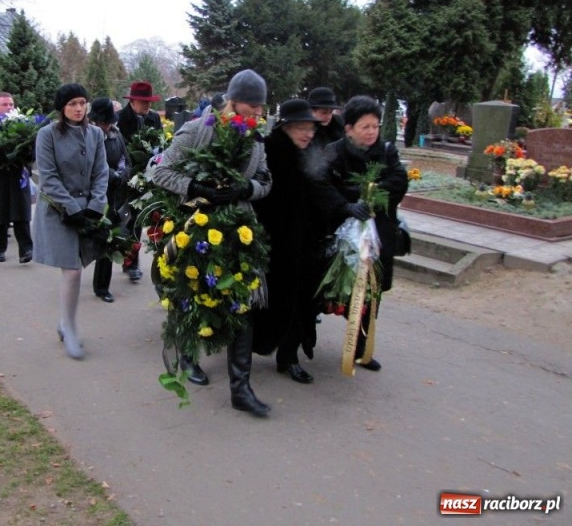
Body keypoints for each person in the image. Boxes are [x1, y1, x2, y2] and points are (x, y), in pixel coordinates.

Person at [152, 69, 273, 417]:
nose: (255, 116)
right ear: (231, 102)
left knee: (242, 300)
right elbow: (160, 171)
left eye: (259, 109)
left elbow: (266, 180)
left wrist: (246, 190)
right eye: (250, 108)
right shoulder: (195, 131)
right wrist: (197, 188)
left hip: (239, 230)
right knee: (191, 296)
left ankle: (241, 388)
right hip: (198, 226)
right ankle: (187, 356)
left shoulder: (255, 140)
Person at [314, 95, 409, 371]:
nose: (371, 132)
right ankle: (301, 343)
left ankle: (360, 347)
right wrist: (346, 205)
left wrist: (368, 196)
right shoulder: (333, 152)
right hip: (338, 235)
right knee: (325, 288)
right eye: (365, 127)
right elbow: (321, 186)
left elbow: (398, 181)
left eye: (375, 126)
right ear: (349, 128)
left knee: (370, 291)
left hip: (378, 234)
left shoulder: (387, 151)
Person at [33, 84, 109, 360]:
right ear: (62, 108)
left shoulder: (96, 133)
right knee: (72, 270)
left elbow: (102, 171)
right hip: (58, 211)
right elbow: (48, 177)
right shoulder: (47, 135)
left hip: (87, 210)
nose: (79, 108)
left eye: (82, 103)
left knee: (76, 269)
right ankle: (69, 325)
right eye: (72, 104)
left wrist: (96, 206)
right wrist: (72, 209)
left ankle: (66, 321)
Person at [251, 99, 322, 384]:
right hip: (273, 243)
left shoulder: (309, 152)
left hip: (305, 243)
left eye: (311, 128)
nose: (308, 134)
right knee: (276, 302)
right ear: (287, 127)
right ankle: (246, 349)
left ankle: (289, 357)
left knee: (301, 302)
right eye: (302, 128)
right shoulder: (270, 151)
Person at [116, 81, 163, 282]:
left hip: (151, 176)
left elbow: (160, 142)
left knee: (154, 219)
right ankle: (131, 263)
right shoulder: (120, 119)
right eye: (143, 102)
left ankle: (162, 263)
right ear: (133, 101)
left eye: (149, 102)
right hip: (127, 178)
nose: (147, 106)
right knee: (131, 220)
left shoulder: (153, 118)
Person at [0, 92, 33, 263]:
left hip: (17, 174)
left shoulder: (22, 125)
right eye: (4, 104)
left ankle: (26, 249)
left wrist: (23, 157)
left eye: (11, 104)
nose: (8, 107)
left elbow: (31, 149)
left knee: (21, 213)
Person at [88, 97, 131, 303]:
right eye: (104, 123)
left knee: (108, 241)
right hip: (91, 196)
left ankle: (102, 287)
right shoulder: (86, 136)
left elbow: (126, 159)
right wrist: (109, 174)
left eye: (109, 122)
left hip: (113, 196)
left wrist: (122, 175)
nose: (108, 126)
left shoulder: (116, 135)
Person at [307, 86, 345, 151]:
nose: (328, 116)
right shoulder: (303, 128)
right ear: (311, 111)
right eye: (324, 113)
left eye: (330, 112)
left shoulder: (339, 124)